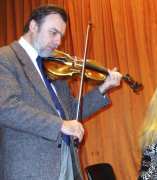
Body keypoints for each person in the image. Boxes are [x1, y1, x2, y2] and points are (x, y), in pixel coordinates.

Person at [0, 4, 122, 180]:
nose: (58, 41)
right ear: (34, 26)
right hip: (29, 167)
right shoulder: (6, 58)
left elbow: (71, 111)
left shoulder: (53, 66)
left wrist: (104, 87)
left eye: (61, 36)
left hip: (66, 161)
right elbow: (6, 108)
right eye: (53, 32)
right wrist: (60, 125)